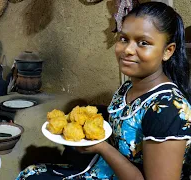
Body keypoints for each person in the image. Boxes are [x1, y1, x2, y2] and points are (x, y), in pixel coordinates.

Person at [16, 2, 191, 180]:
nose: (128, 50)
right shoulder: (129, 88)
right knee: (30, 173)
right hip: (104, 166)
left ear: (168, 51)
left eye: (143, 43)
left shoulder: (168, 110)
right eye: (124, 39)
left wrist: (102, 147)